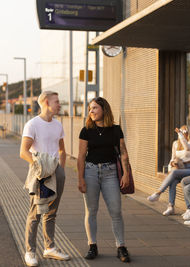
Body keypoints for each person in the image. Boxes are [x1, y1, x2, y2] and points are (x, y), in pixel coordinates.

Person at [77, 97, 131, 263]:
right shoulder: (86, 130)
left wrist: (126, 174)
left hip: (110, 173)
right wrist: (80, 178)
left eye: (94, 108)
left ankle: (121, 247)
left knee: (115, 211)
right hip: (91, 172)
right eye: (90, 109)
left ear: (104, 110)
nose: (91, 112)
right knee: (91, 211)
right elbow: (80, 156)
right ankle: (92, 245)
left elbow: (123, 152)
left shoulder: (116, 129)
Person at [20, 91, 70, 266]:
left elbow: (63, 150)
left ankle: (49, 248)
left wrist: (61, 170)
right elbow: (23, 152)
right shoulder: (32, 124)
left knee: (52, 212)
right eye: (57, 101)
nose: (59, 104)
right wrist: (40, 165)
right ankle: (30, 251)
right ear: (47, 102)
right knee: (36, 213)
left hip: (57, 172)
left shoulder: (58, 125)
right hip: (41, 174)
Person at [147, 125, 190, 216]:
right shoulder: (175, 144)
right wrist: (172, 164)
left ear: (188, 132)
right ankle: (170, 207)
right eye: (180, 131)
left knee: (174, 173)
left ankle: (158, 193)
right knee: (172, 181)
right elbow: (172, 158)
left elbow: (187, 148)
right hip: (179, 169)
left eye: (184, 131)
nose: (182, 133)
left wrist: (180, 135)